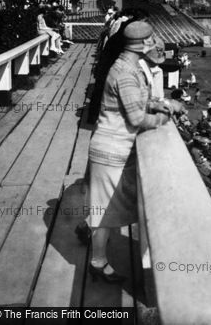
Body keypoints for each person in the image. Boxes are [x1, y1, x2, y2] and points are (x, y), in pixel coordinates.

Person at [87, 21, 181, 284]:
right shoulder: (128, 73)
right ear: (142, 45)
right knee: (104, 215)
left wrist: (164, 102)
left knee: (106, 211)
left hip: (112, 149)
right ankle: (97, 263)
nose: (155, 43)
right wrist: (164, 117)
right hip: (111, 151)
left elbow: (136, 101)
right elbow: (138, 116)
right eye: (151, 39)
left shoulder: (125, 66)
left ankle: (94, 248)